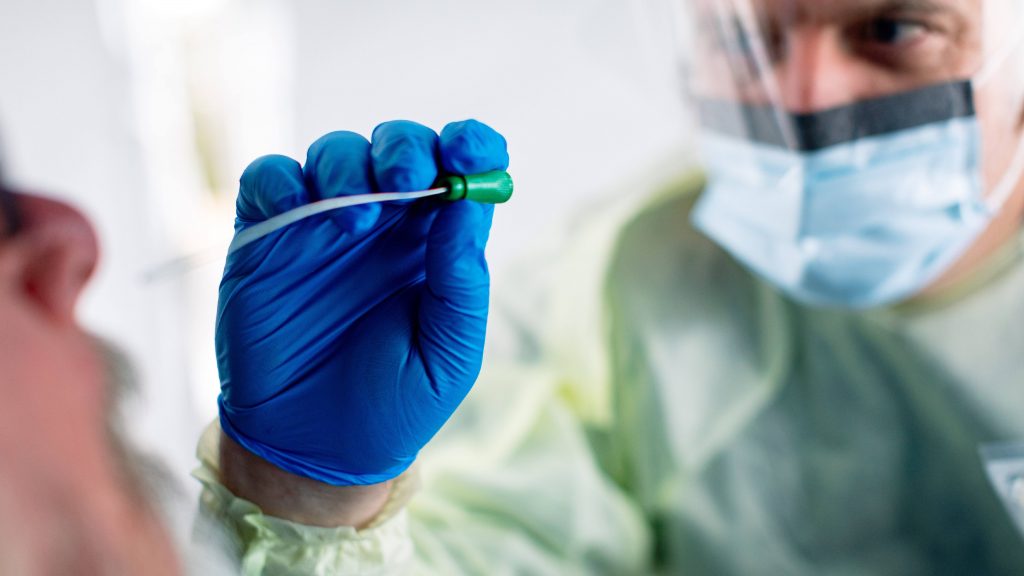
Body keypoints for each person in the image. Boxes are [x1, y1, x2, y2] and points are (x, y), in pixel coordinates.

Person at [3, 1, 1024, 575]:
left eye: (891, 30)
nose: (800, 98)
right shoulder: (625, 296)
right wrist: (312, 492)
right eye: (748, 36)